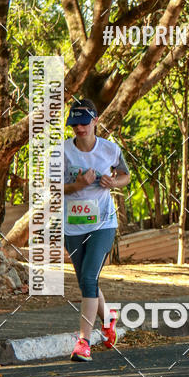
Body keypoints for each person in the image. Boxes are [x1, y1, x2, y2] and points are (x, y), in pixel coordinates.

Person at [63, 98, 131, 362]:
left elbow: (125, 175)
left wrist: (113, 182)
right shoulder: (62, 152)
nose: (79, 129)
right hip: (73, 226)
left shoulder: (110, 149)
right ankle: (109, 317)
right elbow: (52, 188)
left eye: (84, 123)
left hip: (103, 223)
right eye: (74, 125)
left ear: (95, 121)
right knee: (85, 281)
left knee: (89, 279)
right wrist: (77, 185)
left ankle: (84, 342)